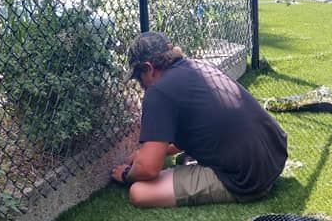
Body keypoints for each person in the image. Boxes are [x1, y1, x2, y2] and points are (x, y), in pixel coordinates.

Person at [112, 32, 288, 208]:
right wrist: (159, 152)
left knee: (139, 192)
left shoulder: (158, 91)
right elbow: (197, 129)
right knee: (181, 159)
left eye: (138, 76)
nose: (140, 84)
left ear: (149, 68)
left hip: (249, 179)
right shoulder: (196, 66)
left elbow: (148, 169)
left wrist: (127, 174)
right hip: (273, 156)